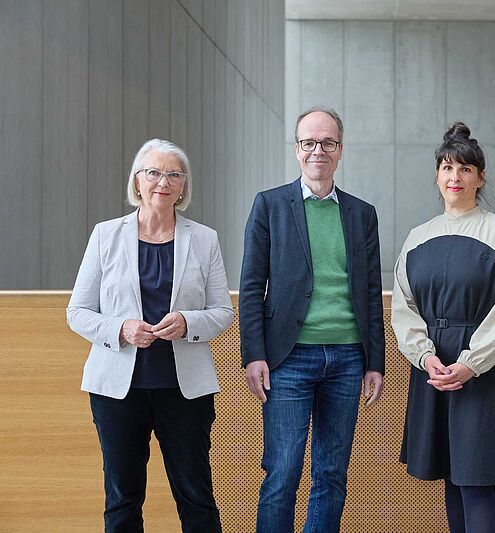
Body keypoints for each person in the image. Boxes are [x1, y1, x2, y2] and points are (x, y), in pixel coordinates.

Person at [67, 139, 233, 532]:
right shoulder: (106, 235)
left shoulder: (204, 239)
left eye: (174, 174)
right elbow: (78, 312)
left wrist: (189, 323)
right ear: (137, 182)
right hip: (118, 391)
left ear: (183, 186)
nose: (164, 181)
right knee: (122, 497)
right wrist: (120, 328)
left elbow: (223, 312)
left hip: (185, 390)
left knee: (196, 495)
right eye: (154, 172)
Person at [239, 106, 385, 533]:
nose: (318, 150)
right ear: (297, 149)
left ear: (340, 150)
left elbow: (371, 292)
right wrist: (254, 354)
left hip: (346, 358)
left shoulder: (362, 213)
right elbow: (251, 285)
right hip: (287, 359)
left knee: (331, 475)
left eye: (327, 143)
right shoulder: (269, 206)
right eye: (309, 142)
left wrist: (374, 361)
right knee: (282, 472)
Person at [391, 122, 495, 533]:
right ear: (437, 175)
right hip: (433, 369)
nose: (456, 177)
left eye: (466, 169)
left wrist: (472, 362)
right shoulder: (418, 237)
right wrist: (424, 356)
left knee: (476, 481)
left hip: (483, 370)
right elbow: (404, 306)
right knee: (451, 477)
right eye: (448, 168)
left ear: (480, 177)